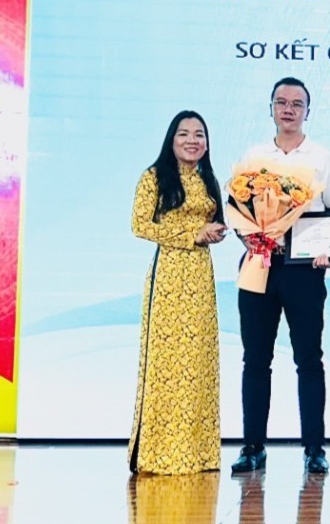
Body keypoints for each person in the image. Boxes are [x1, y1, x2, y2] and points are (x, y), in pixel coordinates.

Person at [232, 78, 330, 475]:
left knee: (309, 359)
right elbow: (237, 210)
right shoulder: (253, 157)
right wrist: (249, 236)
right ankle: (252, 446)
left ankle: (314, 448)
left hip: (303, 271)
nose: (288, 109)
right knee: (255, 359)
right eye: (281, 102)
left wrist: (328, 249)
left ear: (307, 112)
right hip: (258, 265)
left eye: (297, 104)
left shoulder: (324, 158)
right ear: (271, 109)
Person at [128, 111, 227, 475]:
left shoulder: (209, 179)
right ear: (171, 140)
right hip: (169, 277)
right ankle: (159, 454)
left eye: (199, 134)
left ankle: (198, 453)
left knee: (198, 363)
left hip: (201, 276)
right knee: (167, 364)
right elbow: (140, 225)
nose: (192, 140)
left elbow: (214, 222)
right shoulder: (154, 177)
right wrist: (190, 235)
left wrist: (215, 232)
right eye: (184, 134)